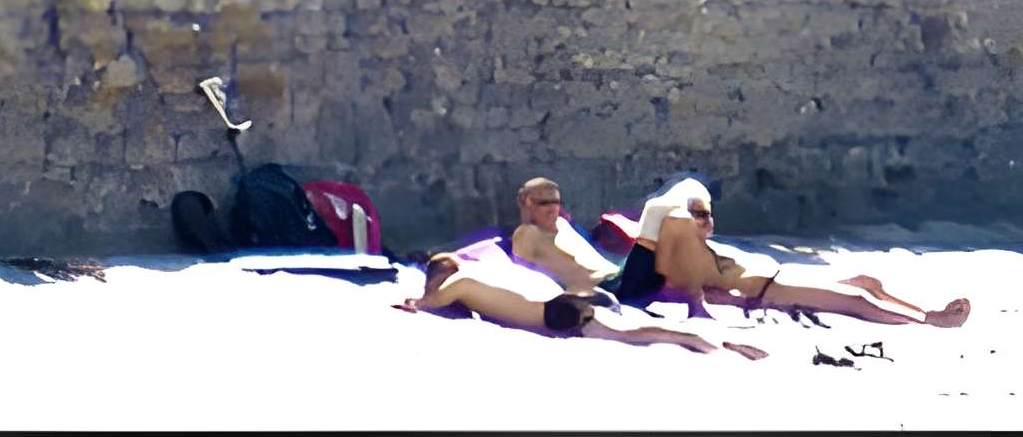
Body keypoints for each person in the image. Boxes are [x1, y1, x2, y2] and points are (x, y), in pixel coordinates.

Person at [633, 178, 971, 328]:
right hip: (770, 291)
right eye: (699, 215)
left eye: (708, 214)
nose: (709, 221)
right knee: (856, 301)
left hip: (775, 276)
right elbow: (700, 293)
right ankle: (931, 321)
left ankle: (927, 311)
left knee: (867, 282)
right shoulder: (682, 258)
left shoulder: (700, 249)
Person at [395, 254, 762, 356]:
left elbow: (428, 303)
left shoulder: (457, 282)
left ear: (441, 272)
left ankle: (704, 343)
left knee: (631, 336)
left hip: (553, 313)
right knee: (632, 333)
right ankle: (711, 341)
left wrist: (418, 300)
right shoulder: (485, 272)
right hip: (562, 301)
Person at [506, 176, 616, 295]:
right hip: (599, 286)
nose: (553, 209)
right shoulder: (527, 234)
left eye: (556, 202)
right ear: (527, 205)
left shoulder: (561, 224)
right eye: (544, 203)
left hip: (609, 278)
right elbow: (580, 278)